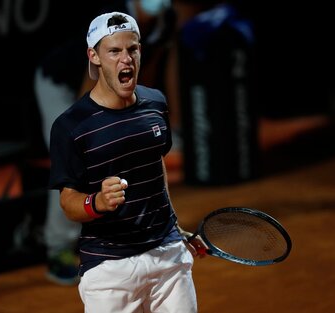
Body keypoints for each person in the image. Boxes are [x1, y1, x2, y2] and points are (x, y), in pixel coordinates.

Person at [48, 11, 207, 312]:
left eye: (132, 49)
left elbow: (155, 164)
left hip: (166, 255)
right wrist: (96, 202)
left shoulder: (155, 104)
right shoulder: (71, 126)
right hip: (110, 270)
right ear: (93, 56)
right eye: (114, 51)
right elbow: (67, 201)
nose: (126, 59)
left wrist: (173, 226)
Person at [34, 0, 178, 286]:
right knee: (73, 169)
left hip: (108, 90)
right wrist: (96, 136)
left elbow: (146, 71)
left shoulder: (164, 21)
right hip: (62, 84)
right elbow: (89, 101)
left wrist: (136, 115)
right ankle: (58, 248)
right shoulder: (109, 15)